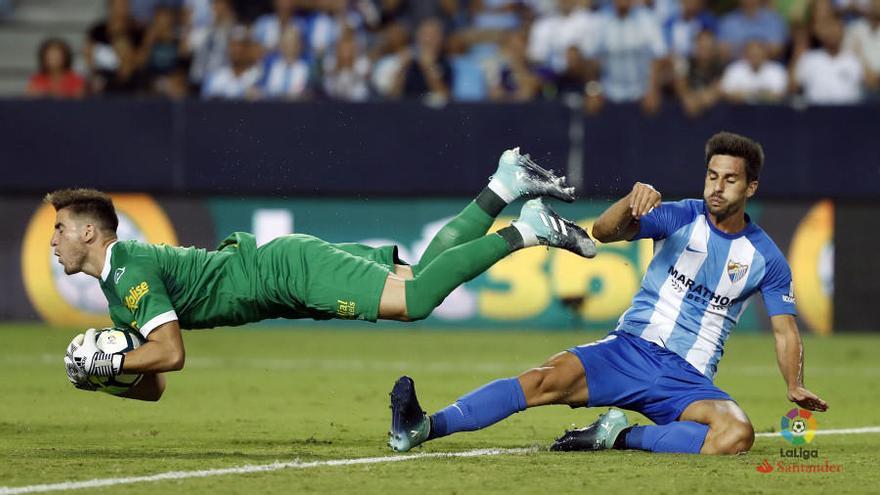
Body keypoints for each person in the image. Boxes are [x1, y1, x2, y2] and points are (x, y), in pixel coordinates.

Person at [388, 132, 828, 455]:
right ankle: (424, 426)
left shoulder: (766, 258)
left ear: (751, 187)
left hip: (686, 380)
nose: (716, 186)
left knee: (736, 435)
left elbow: (785, 331)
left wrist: (795, 384)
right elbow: (602, 231)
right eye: (712, 176)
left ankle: (616, 435)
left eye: (730, 180)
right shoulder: (679, 216)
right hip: (627, 350)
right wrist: (630, 201)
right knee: (540, 380)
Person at [57, 148, 596, 401]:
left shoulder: (128, 267)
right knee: (423, 278)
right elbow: (155, 385)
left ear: (89, 233)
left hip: (285, 273)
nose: (53, 240)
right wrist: (103, 377)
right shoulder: (119, 289)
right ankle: (503, 185)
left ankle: (526, 229)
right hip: (281, 274)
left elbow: (171, 354)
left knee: (418, 301)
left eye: (60, 228)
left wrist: (109, 357)